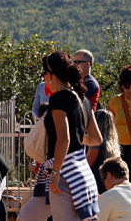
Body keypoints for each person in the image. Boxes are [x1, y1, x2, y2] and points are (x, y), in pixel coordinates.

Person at [42, 52, 102, 221]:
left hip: (65, 175)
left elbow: (64, 138)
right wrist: (78, 139)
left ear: (51, 74)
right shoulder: (83, 99)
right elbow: (96, 139)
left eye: (44, 75)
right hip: (83, 174)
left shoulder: (58, 99)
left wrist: (55, 174)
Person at [87, 109, 121, 194]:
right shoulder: (113, 144)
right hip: (111, 184)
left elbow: (88, 165)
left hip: (99, 186)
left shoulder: (97, 143)